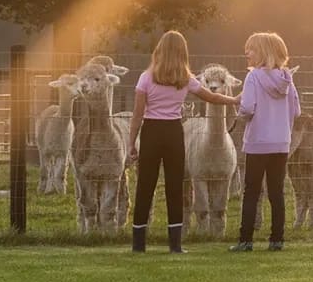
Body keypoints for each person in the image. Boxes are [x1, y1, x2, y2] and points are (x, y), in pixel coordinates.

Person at [126, 31, 238, 254]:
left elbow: (138, 114)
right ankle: (175, 245)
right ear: (182, 53)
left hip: (151, 132)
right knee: (175, 188)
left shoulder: (146, 78)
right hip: (174, 133)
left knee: (145, 186)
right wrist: (234, 99)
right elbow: (211, 97)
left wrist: (131, 143)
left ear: (159, 50)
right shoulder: (186, 79)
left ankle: (139, 244)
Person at [232, 32, 302, 252]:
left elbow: (247, 108)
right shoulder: (287, 79)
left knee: (252, 191)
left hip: (258, 142)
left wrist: (239, 114)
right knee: (276, 192)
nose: (247, 53)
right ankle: (277, 239)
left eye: (250, 49)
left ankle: (245, 240)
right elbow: (297, 110)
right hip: (281, 143)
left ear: (263, 52)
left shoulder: (253, 78)